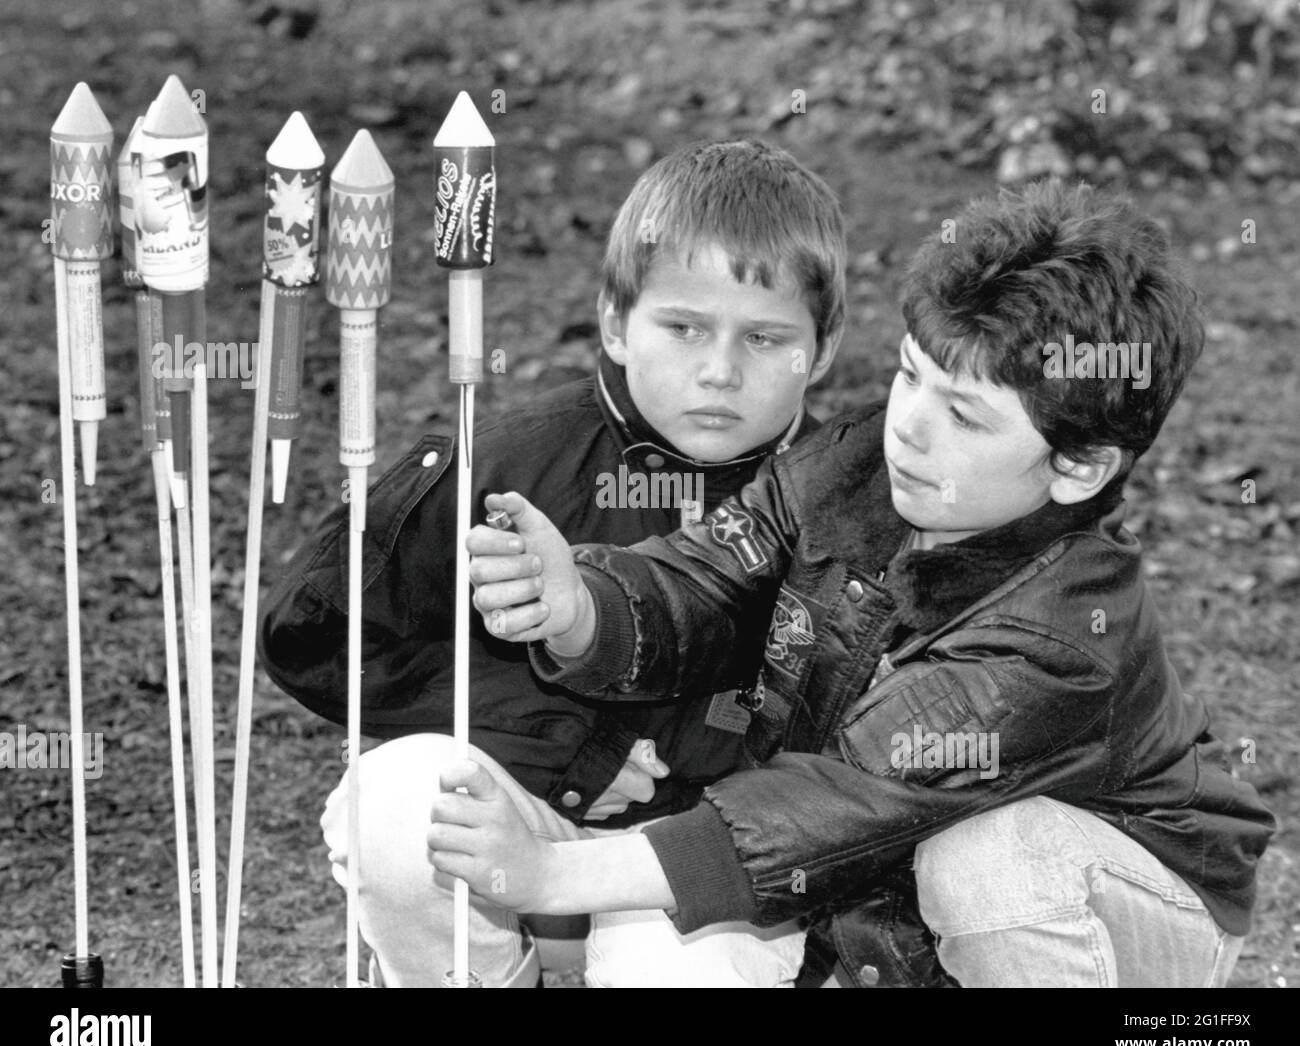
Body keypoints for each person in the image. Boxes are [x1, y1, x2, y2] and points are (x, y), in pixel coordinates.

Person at [446, 179, 1276, 988]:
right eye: (911, 375)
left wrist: (551, 876)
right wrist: (580, 607)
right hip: (888, 895)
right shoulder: (848, 467)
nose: (907, 427)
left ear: (1078, 467)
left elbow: (842, 794)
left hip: (1129, 910)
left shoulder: (1062, 637)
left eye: (964, 415)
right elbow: (704, 584)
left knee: (991, 861)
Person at [258, 137, 849, 986]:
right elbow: (315, 632)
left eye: (764, 338)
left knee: (687, 963)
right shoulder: (506, 460)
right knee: (399, 805)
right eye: (682, 327)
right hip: (525, 824)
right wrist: (563, 747)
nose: (719, 371)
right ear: (614, 321)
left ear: (821, 350)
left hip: (707, 862)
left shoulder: (848, 501)